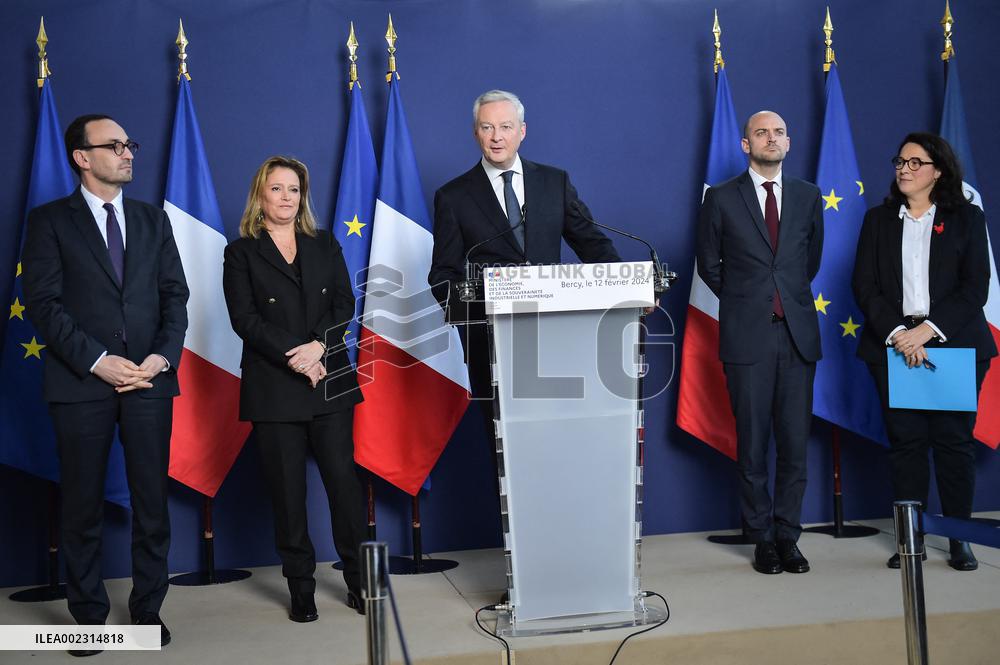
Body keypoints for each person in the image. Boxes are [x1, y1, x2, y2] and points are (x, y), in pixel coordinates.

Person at [22, 114, 189, 653]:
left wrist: (161, 359)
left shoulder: (152, 219)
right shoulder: (49, 221)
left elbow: (175, 298)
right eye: (114, 145)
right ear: (81, 156)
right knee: (82, 504)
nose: (127, 153)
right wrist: (97, 360)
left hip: (149, 382)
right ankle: (90, 614)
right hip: (81, 384)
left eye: (129, 143)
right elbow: (44, 307)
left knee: (151, 504)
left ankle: (147, 613)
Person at [428, 89, 621, 447]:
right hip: (491, 342)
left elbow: (593, 244)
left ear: (522, 131)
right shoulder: (453, 196)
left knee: (562, 440)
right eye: (487, 127)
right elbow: (442, 275)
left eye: (505, 126)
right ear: (475, 134)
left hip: (557, 336)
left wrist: (627, 291)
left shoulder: (554, 182)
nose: (497, 136)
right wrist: (474, 316)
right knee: (507, 445)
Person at [222, 156, 366, 621]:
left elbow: (345, 301)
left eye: (295, 190)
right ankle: (300, 588)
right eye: (278, 189)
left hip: (329, 380)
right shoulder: (240, 252)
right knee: (287, 495)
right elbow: (245, 319)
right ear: (260, 195)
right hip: (275, 385)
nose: (287, 198)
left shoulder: (325, 244)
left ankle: (359, 582)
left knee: (344, 488)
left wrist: (318, 350)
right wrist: (297, 355)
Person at [852, 133, 996, 571]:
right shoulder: (878, 220)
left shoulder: (967, 218)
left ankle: (958, 539)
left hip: (954, 344)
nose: (905, 169)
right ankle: (909, 536)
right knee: (907, 444)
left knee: (954, 444)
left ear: (938, 171)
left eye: (916, 162)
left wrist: (928, 332)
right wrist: (900, 333)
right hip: (894, 345)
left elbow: (975, 288)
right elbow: (865, 286)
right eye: (900, 161)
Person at [697, 110, 824, 575]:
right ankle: (762, 537)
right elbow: (709, 265)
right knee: (752, 445)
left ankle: (789, 537)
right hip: (747, 336)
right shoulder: (722, 198)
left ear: (788, 142)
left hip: (797, 337)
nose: (771, 139)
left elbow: (808, 262)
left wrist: (783, 301)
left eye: (779, 132)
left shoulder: (809, 196)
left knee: (794, 445)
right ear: (746, 144)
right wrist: (748, 302)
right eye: (761, 133)